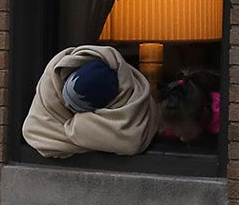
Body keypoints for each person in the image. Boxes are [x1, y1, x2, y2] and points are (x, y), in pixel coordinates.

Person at [21, 44, 157, 158]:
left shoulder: (137, 104)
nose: (65, 104)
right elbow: (33, 131)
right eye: (65, 96)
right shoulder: (53, 78)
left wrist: (80, 131)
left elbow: (130, 140)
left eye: (74, 106)